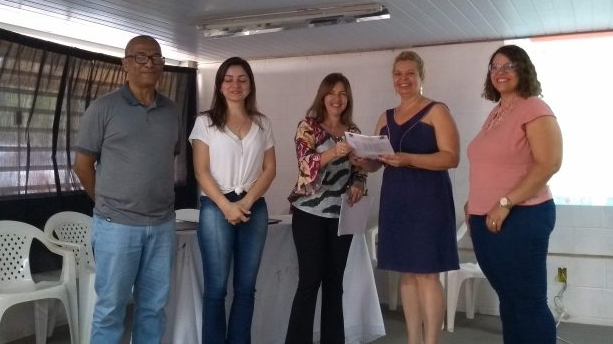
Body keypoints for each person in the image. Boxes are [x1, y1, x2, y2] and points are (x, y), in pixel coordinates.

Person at [73, 35, 180, 344]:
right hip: (116, 226)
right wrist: (106, 202)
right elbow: (83, 165)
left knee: (153, 309)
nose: (149, 63)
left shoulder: (172, 111)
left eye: (156, 57)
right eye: (141, 57)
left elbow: (164, 160)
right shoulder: (103, 108)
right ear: (125, 64)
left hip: (162, 225)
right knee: (110, 310)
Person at [466, 44, 563, 344]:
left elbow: (549, 162)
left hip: (522, 216)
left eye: (509, 65)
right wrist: (473, 204)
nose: (501, 72)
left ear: (523, 69)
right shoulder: (497, 112)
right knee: (509, 299)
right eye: (495, 67)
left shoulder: (534, 107)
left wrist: (505, 203)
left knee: (528, 301)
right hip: (486, 219)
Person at [373, 51, 460, 344]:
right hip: (396, 204)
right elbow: (377, 161)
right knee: (407, 275)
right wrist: (363, 160)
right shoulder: (385, 117)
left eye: (410, 73)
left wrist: (409, 159)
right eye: (398, 74)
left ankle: (431, 341)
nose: (404, 79)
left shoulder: (437, 111)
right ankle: (413, 339)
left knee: (427, 275)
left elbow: (451, 158)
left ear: (421, 76)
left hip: (429, 204)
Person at [189, 57, 276, 344]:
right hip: (216, 207)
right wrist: (227, 207)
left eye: (242, 79)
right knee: (216, 290)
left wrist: (246, 203)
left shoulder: (262, 123)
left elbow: (269, 169)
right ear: (219, 85)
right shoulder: (205, 122)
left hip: (253, 207)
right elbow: (201, 171)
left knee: (246, 289)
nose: (235, 85)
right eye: (228, 79)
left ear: (250, 85)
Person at [285, 73, 368, 344]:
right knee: (309, 282)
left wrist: (358, 182)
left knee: (335, 284)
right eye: (331, 92)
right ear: (322, 96)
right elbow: (305, 165)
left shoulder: (353, 131)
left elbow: (360, 170)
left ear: (348, 99)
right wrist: (334, 152)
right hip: (309, 214)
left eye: (342, 93)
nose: (337, 98)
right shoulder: (308, 127)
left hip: (341, 215)